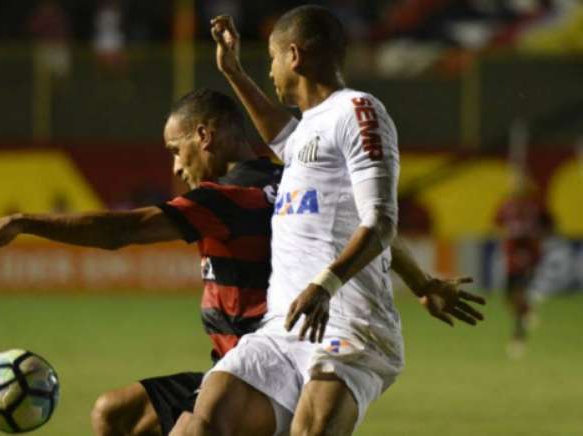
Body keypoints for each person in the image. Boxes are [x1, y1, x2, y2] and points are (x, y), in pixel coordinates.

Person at [0, 89, 483, 436]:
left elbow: (121, 231)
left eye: (176, 149)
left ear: (204, 137)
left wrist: (28, 223)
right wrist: (423, 282)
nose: (175, 165)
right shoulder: (293, 178)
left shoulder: (223, 198)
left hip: (263, 366)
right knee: (114, 413)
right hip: (256, 359)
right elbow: (368, 230)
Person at [173, 6, 484, 436]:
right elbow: (282, 135)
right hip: (284, 328)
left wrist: (324, 286)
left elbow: (380, 222)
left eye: (271, 58)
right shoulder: (306, 132)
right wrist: (234, 71)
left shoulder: (357, 112)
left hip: (348, 323)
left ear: (295, 55)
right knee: (200, 424)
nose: (271, 71)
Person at [495, 173, 552, 357]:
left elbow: (549, 223)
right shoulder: (507, 206)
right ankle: (528, 311)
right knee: (508, 296)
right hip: (512, 255)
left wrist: (538, 238)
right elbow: (497, 223)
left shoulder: (534, 206)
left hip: (529, 254)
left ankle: (518, 338)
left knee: (519, 294)